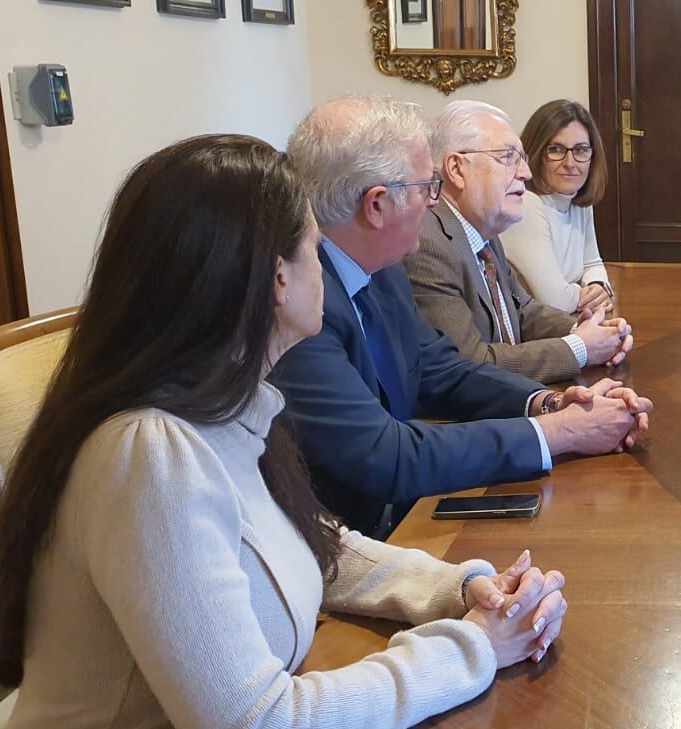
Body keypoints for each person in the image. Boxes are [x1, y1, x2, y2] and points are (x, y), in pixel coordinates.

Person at [0, 135, 569, 729]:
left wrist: (460, 589)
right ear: (276, 280)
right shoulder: (150, 455)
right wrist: (473, 646)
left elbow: (311, 543)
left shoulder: (223, 406)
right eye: (316, 246)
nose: (329, 266)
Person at [270, 95, 652, 537]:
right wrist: (558, 433)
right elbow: (386, 456)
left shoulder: (382, 268)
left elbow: (440, 369)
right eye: (425, 188)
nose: (434, 204)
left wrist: (549, 403)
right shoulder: (300, 307)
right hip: (349, 544)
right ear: (377, 205)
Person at [407, 100, 634, 382]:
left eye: (522, 159)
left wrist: (591, 329)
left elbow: (523, 311)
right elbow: (469, 364)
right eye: (507, 158)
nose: (525, 173)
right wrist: (580, 348)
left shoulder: (482, 232)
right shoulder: (429, 245)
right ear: (456, 168)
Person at [501, 99, 616, 314]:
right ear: (534, 153)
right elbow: (554, 300)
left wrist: (597, 286)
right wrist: (585, 295)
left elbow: (592, 263)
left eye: (581, 150)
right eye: (556, 149)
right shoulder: (525, 203)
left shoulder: (577, 199)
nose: (570, 163)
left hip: (566, 322)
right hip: (531, 334)